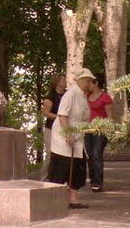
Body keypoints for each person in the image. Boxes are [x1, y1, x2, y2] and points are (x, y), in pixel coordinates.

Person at [47, 67, 95, 209]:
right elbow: (62, 115)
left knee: (77, 168)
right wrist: (67, 134)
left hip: (78, 137)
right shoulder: (71, 94)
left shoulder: (82, 95)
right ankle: (54, 200)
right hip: (64, 138)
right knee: (61, 168)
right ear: (80, 80)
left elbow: (84, 116)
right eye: (87, 81)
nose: (89, 84)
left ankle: (72, 199)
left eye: (90, 81)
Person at [85, 73, 113, 192]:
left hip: (100, 130)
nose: (88, 85)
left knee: (97, 155)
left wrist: (109, 129)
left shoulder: (105, 97)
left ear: (96, 83)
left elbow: (110, 116)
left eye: (90, 82)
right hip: (87, 129)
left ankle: (98, 182)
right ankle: (92, 181)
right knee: (90, 156)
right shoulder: (85, 96)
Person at [41, 73, 67, 178]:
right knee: (50, 154)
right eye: (63, 79)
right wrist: (59, 117)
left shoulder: (67, 94)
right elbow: (45, 113)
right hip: (51, 129)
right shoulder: (50, 97)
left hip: (64, 128)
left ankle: (59, 177)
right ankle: (44, 177)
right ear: (57, 82)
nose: (65, 81)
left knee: (63, 154)